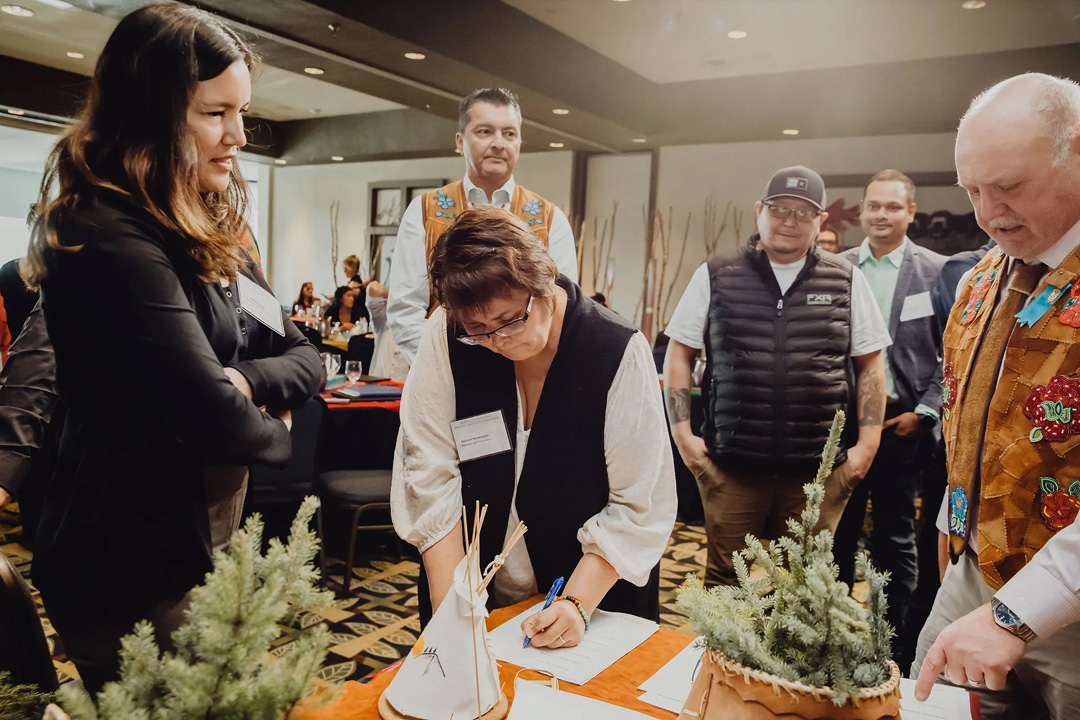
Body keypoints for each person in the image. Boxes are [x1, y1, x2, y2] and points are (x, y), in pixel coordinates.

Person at [21, 4, 321, 693]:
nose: (239, 136)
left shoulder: (205, 217)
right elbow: (212, 417)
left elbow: (304, 351)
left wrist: (244, 384)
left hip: (198, 540)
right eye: (216, 114)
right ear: (148, 113)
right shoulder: (105, 233)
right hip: (127, 563)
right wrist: (263, 418)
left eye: (241, 112)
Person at [391, 206, 676, 648]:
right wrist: (450, 606)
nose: (499, 342)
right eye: (479, 330)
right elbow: (427, 470)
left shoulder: (616, 350)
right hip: (479, 575)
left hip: (592, 592)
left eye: (510, 320)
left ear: (543, 280)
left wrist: (577, 604)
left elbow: (640, 502)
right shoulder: (446, 336)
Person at [913, 73, 1080, 716]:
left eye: (1009, 186)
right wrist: (949, 535)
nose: (987, 213)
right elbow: (971, 421)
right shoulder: (981, 277)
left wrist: (1016, 616)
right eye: (973, 190)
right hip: (968, 579)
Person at [663, 165, 890, 588]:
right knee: (726, 588)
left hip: (816, 475)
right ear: (758, 211)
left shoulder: (845, 279)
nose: (789, 220)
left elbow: (871, 364)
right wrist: (683, 437)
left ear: (821, 220)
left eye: (803, 213)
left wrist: (867, 447)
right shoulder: (716, 274)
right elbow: (679, 352)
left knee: (801, 593)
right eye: (778, 208)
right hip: (731, 470)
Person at [835, 170, 946, 671]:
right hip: (842, 428)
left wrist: (926, 411)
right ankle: (829, 633)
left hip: (904, 428)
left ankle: (895, 645)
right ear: (861, 211)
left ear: (911, 213)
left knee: (895, 539)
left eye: (892, 207)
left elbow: (957, 352)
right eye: (873, 206)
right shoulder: (836, 268)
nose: (881, 215)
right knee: (835, 534)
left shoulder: (938, 272)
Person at [387, 87, 579, 367]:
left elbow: (562, 308)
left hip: (527, 375)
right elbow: (406, 309)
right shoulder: (425, 211)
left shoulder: (549, 218)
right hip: (444, 370)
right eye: (485, 131)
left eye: (509, 134)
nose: (499, 143)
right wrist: (441, 372)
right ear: (460, 141)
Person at [365, 280, 408, 381]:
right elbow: (373, 287)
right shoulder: (384, 317)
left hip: (405, 385)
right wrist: (403, 302)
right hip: (380, 383)